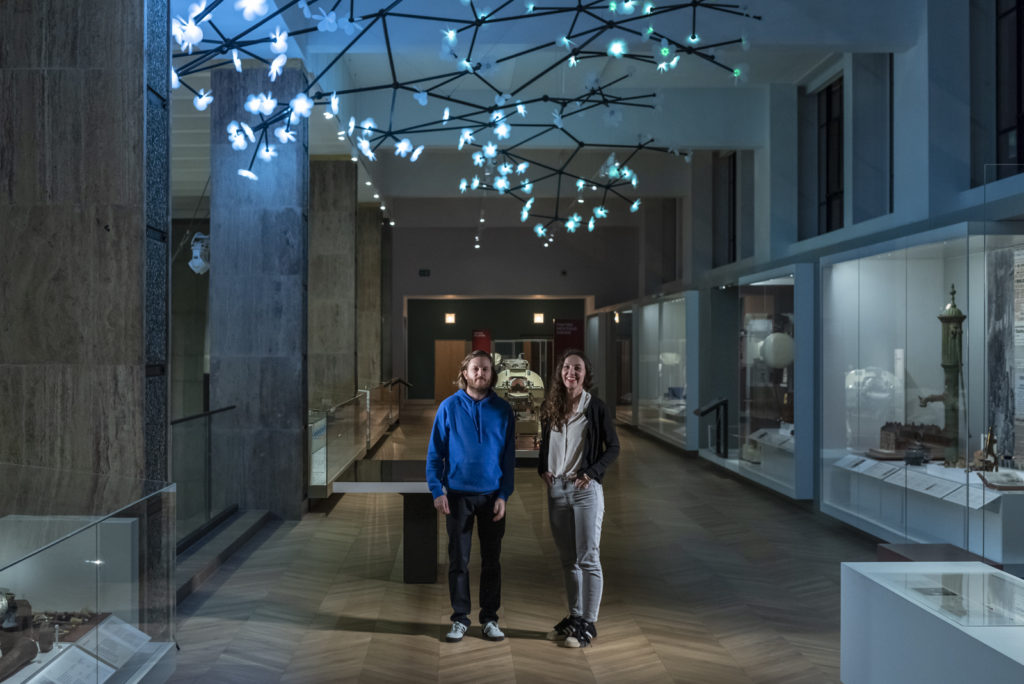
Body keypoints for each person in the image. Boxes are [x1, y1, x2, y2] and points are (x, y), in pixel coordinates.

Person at [427, 349, 516, 643]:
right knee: (458, 561)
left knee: (492, 561)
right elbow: (434, 455)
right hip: (457, 497)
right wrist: (437, 490)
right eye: (476, 369)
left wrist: (504, 494)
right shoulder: (448, 408)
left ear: (492, 375)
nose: (481, 374)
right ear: (465, 372)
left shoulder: (503, 410)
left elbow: (508, 459)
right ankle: (460, 618)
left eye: (486, 370)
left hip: (492, 497)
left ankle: (489, 618)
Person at [538, 349, 619, 648]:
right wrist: (541, 468)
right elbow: (546, 442)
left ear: (586, 374)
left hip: (585, 491)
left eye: (578, 368)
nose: (571, 372)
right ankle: (575, 616)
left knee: (588, 558)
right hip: (557, 490)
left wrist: (593, 472)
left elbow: (613, 447)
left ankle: (589, 623)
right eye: (567, 368)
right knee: (568, 560)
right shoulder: (553, 407)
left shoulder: (595, 407)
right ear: (560, 373)